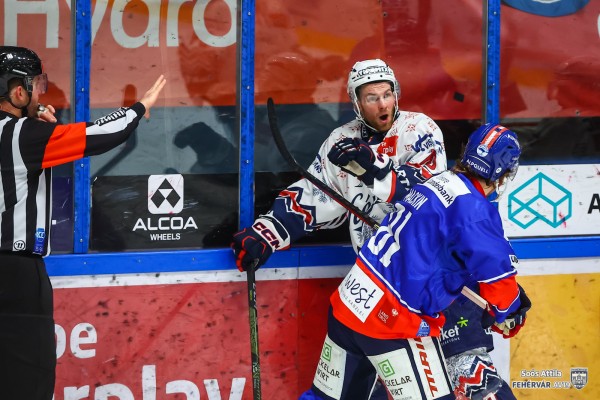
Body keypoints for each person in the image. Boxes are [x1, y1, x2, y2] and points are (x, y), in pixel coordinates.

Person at [232, 59, 514, 399]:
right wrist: (268, 231)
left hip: (433, 289)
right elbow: (315, 195)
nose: (382, 104)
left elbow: (429, 194)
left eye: (387, 94)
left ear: (397, 94)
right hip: (379, 287)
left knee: (474, 380)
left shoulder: (419, 129)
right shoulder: (341, 140)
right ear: (355, 102)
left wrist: (373, 169)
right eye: (371, 97)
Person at [298, 123, 531, 400]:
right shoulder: (475, 211)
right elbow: (499, 283)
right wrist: (507, 311)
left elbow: (448, 258)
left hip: (350, 303)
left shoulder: (435, 182)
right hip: (391, 320)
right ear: (502, 173)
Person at [0, 46, 166, 400]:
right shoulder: (24, 135)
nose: (40, 94)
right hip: (14, 276)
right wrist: (139, 109)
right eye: (36, 86)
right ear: (18, 92)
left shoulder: (24, 135)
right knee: (25, 381)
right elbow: (98, 135)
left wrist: (44, 127)